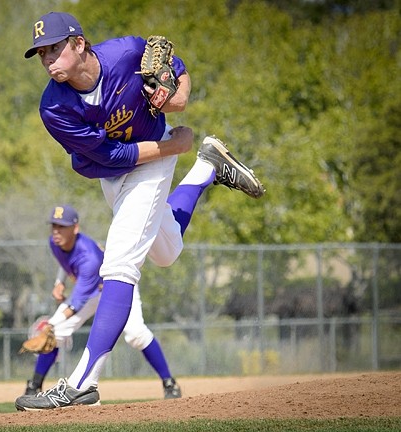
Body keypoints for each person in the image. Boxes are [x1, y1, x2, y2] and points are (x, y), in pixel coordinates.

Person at [16, 12, 264, 411]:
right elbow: (111, 154)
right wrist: (177, 148)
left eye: (55, 49)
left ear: (79, 44)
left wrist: (178, 98)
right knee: (166, 252)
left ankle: (83, 382)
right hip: (119, 169)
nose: (47, 60)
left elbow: (178, 69)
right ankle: (205, 168)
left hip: (152, 160)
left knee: (119, 264)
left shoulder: (127, 53)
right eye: (42, 53)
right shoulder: (53, 107)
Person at [23, 204, 182, 400]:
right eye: (54, 226)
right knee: (55, 334)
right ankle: (34, 386)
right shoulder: (55, 242)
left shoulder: (88, 256)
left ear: (75, 228)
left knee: (136, 334)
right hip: (90, 291)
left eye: (62, 226)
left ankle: (169, 383)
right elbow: (66, 262)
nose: (56, 231)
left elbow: (76, 303)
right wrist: (59, 282)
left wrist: (51, 323)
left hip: (117, 287)